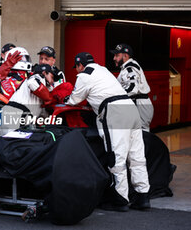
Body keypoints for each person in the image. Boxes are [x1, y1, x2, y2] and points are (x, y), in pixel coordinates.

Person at [63, 52, 150, 211]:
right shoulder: (103, 70)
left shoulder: (84, 75)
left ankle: (120, 200)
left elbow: (73, 99)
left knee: (116, 156)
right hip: (130, 109)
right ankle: (143, 196)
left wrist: (64, 99)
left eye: (76, 67)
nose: (76, 70)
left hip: (114, 112)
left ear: (80, 65)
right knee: (137, 155)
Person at [110, 43, 154, 131]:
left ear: (125, 56)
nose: (114, 58)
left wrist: (116, 97)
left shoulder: (130, 68)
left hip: (139, 104)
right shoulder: (127, 68)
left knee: (141, 136)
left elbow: (133, 88)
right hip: (139, 103)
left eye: (117, 55)